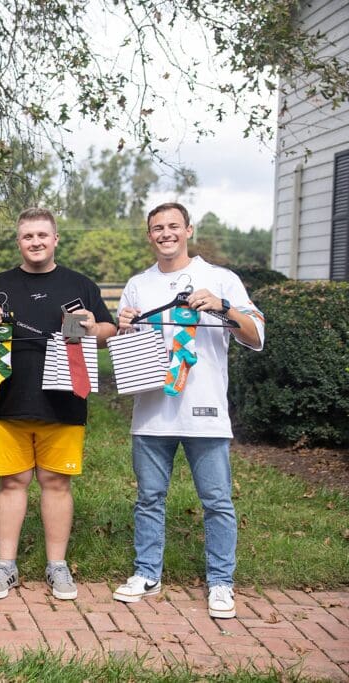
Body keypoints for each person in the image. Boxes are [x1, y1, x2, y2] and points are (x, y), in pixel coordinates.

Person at [113, 202, 265, 619]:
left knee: (216, 501)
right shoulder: (138, 285)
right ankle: (147, 573)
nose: (166, 233)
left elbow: (256, 336)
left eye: (173, 226)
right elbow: (125, 343)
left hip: (206, 409)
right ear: (149, 235)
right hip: (151, 411)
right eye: (157, 228)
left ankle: (220, 582)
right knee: (149, 498)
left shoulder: (220, 278)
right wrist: (123, 322)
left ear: (188, 230)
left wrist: (222, 306)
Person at [0, 208, 116, 602]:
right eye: (28, 236)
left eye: (42, 235)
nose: (35, 242)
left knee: (56, 483)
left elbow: (108, 330)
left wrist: (91, 327)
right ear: (19, 241)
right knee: (11, 483)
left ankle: (57, 566)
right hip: (8, 400)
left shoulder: (79, 285)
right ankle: (5, 566)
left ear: (55, 239)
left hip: (64, 401)